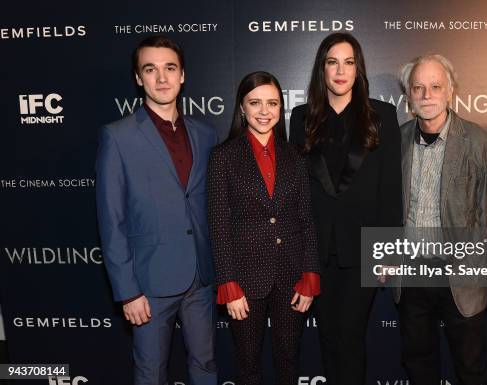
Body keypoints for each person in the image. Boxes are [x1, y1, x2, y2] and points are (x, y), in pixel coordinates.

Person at [96, 35, 217, 385]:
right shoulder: (117, 136)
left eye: (169, 68)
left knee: (206, 363)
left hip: (201, 276)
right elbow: (111, 219)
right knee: (151, 372)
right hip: (148, 283)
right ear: (138, 78)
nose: (161, 78)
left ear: (182, 76)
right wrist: (128, 290)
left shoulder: (205, 133)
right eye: (151, 69)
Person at [289, 33, 403, 385]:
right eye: (332, 62)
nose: (340, 71)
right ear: (321, 69)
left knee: (351, 336)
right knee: (327, 337)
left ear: (358, 70)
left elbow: (390, 188)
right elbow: (297, 190)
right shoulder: (301, 117)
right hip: (318, 251)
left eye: (348, 62)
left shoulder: (381, 115)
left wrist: (388, 250)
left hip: (364, 250)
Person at [394, 54, 487, 385]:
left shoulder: (479, 142)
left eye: (436, 86)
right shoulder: (395, 141)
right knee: (418, 366)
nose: (427, 95)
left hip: (460, 274)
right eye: (418, 87)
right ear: (409, 97)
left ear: (450, 91)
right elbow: (385, 205)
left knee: (469, 368)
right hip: (411, 275)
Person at [207, 71, 320, 385]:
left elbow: (306, 219)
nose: (264, 111)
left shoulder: (296, 157)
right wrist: (228, 283)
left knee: (288, 360)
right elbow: (218, 224)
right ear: (242, 108)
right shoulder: (223, 157)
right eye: (255, 103)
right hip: (244, 278)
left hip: (291, 276)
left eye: (272, 103)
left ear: (281, 108)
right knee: (248, 365)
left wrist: (310, 274)